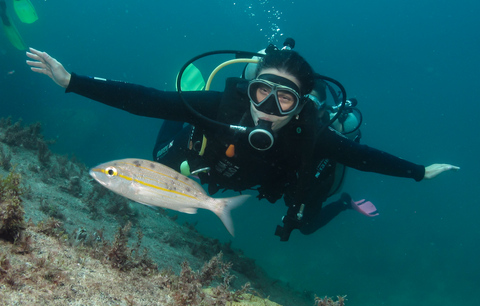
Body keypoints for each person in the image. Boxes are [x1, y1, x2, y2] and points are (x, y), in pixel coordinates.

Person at [25, 46, 459, 241]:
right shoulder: (224, 105)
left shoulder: (313, 137)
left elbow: (365, 157)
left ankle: (342, 202)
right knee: (166, 136)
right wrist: (71, 82)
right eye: (262, 92)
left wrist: (420, 172)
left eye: (284, 97)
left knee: (305, 224)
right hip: (203, 163)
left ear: (299, 105)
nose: (268, 107)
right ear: (250, 88)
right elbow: (143, 101)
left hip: (259, 182)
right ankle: (183, 126)